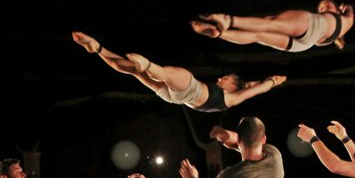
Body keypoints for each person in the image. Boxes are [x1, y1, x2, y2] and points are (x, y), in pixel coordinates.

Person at [72, 32, 286, 112]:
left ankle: (148, 65)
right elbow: (251, 85)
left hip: (189, 91)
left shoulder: (232, 98)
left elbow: (253, 90)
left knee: (180, 74)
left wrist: (272, 82)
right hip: (175, 98)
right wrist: (267, 80)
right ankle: (98, 49)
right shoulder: (229, 95)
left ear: (233, 86)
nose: (221, 78)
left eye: (226, 78)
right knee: (133, 71)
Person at [192, 0, 354, 52]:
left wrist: (347, 8)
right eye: (321, 8)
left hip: (312, 29)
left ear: (337, 8)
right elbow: (320, 42)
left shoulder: (346, 19)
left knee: (269, 24)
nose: (323, 8)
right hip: (304, 44)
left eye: (326, 6)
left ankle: (228, 20)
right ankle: (219, 33)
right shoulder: (336, 31)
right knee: (259, 34)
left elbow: (350, 9)